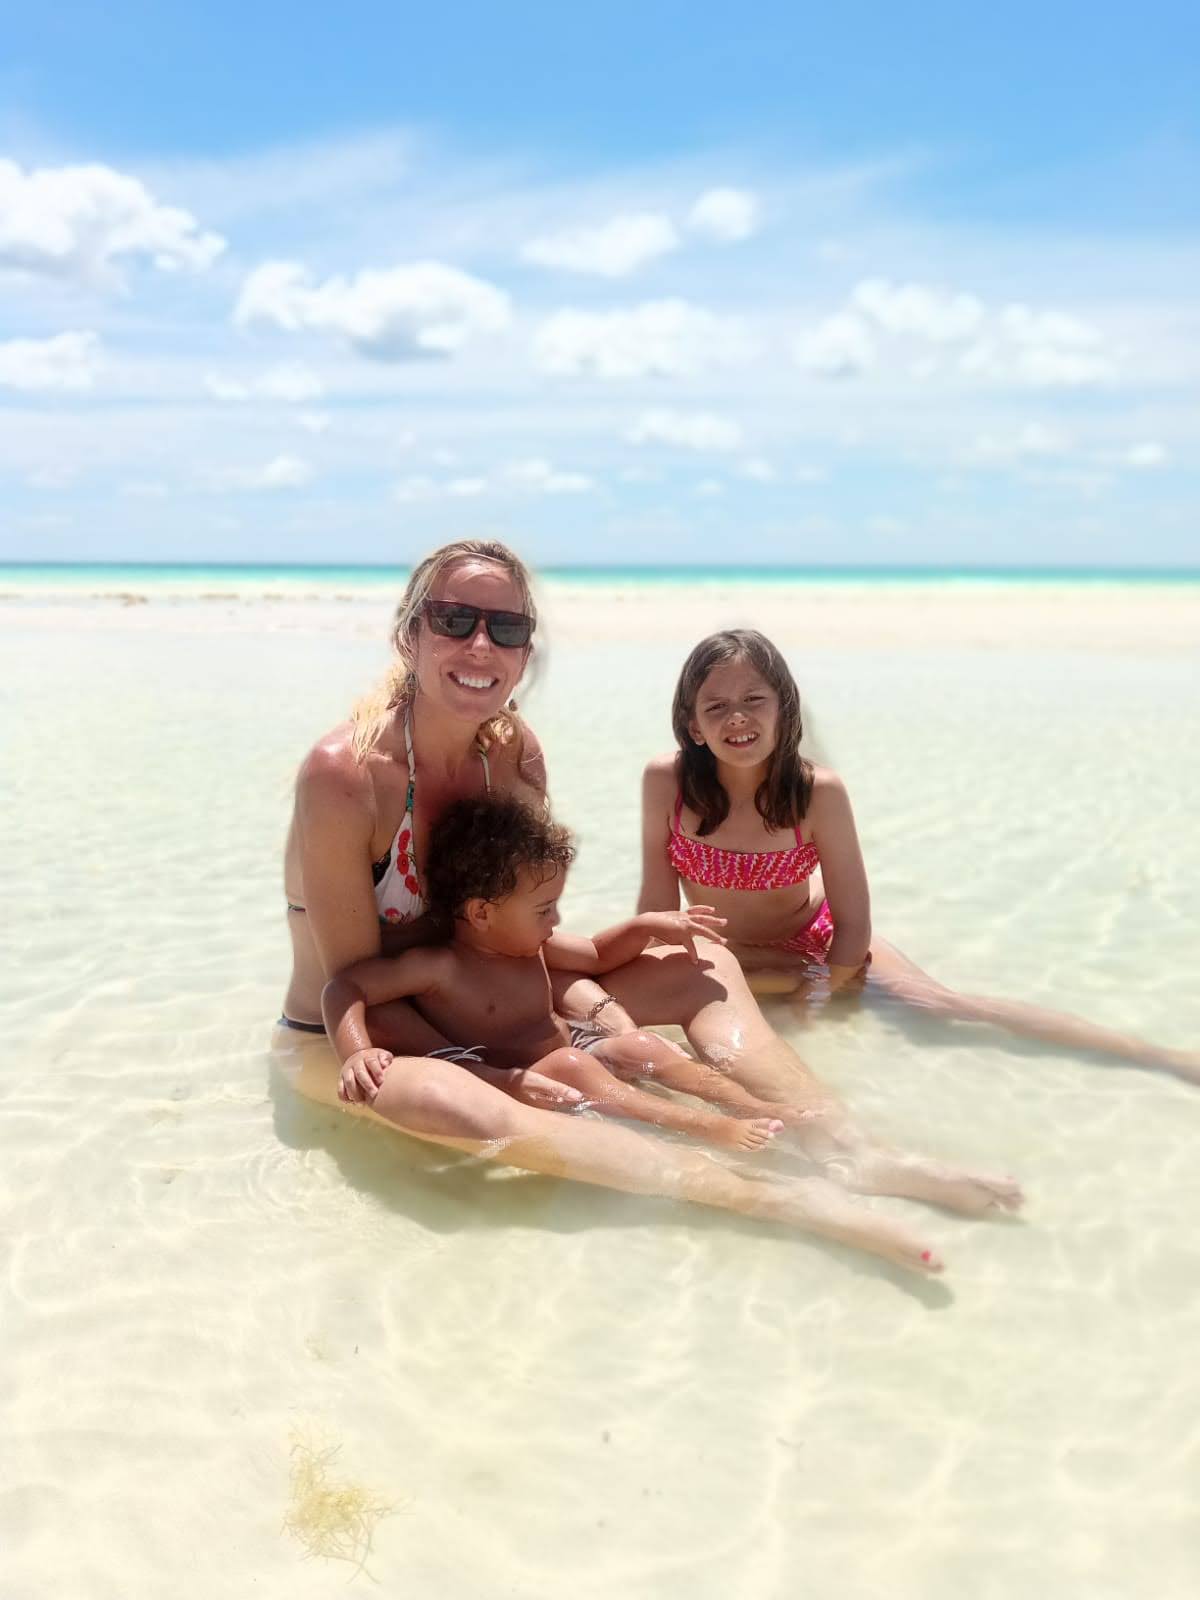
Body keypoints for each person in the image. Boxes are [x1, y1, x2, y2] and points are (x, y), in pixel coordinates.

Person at [277, 539, 1017, 1278]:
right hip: (364, 1043)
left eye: (506, 627)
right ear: (409, 633)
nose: (480, 644)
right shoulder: (346, 776)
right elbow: (362, 990)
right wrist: (504, 1073)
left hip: (503, 1006)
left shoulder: (512, 755)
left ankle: (848, 1150)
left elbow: (520, 931)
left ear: (526, 651)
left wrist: (592, 1010)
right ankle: (773, 1199)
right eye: (453, 619)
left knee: (698, 959)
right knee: (450, 1103)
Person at [639, 628, 1200, 1082]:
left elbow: (853, 919)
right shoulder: (668, 782)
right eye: (716, 706)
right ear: (693, 725)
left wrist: (829, 984)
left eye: (754, 700)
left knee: (937, 1004)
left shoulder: (817, 792)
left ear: (785, 708)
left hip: (814, 940)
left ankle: (1158, 1058)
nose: (737, 717)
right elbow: (658, 908)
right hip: (722, 953)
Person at [322, 793, 797, 1152]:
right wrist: (356, 1052)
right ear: (482, 913)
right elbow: (345, 987)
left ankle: (754, 1106)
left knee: (643, 1045)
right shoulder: (440, 968)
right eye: (544, 909)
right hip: (528, 1075)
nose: (555, 920)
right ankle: (707, 1127)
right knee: (573, 1066)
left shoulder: (533, 945)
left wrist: (647, 926)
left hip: (579, 1047)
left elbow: (596, 954)